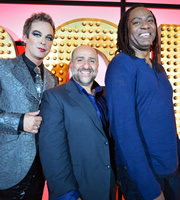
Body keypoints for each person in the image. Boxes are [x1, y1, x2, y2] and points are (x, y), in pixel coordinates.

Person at [105, 4, 180, 200]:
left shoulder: (158, 69)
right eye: (136, 22)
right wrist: (150, 189)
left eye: (150, 20)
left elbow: (169, 122)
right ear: (125, 30)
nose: (145, 26)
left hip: (172, 171)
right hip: (143, 175)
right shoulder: (121, 65)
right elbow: (124, 131)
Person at [39, 45, 116, 200]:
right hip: (78, 191)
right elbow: (52, 152)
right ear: (72, 65)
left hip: (108, 188)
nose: (86, 65)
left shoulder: (107, 96)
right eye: (80, 60)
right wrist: (68, 195)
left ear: (97, 66)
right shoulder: (54, 97)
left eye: (91, 60)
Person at [0, 12, 59, 200]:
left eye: (48, 37)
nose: (43, 42)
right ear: (24, 37)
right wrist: (18, 121)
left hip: (39, 172)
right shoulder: (3, 68)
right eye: (37, 34)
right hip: (6, 169)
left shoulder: (53, 79)